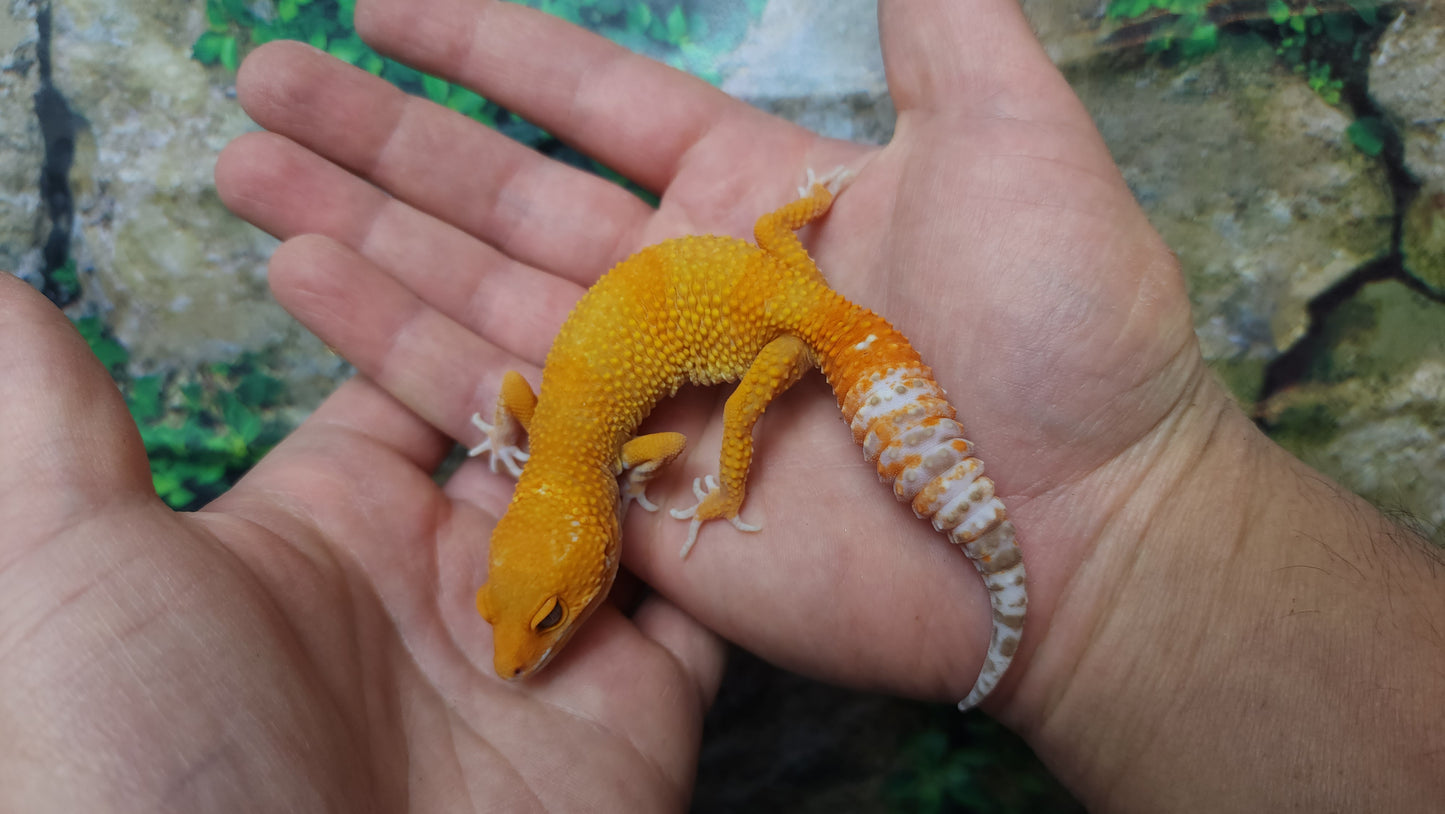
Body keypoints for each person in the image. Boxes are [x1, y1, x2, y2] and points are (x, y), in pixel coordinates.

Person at [1, 0, 1440, 809]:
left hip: (788, 326)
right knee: (746, 381)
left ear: (572, 539)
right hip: (757, 278)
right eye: (537, 610)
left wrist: (716, 472)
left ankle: (879, 494)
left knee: (752, 415)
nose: (527, 632)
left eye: (542, 610)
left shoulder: (582, 460)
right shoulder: (579, 459)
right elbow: (528, 401)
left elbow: (544, 407)